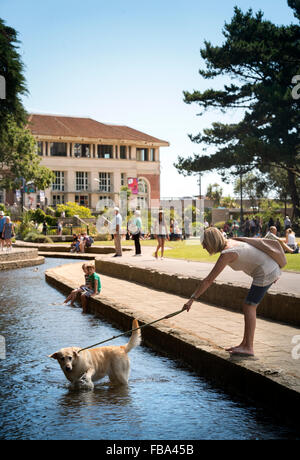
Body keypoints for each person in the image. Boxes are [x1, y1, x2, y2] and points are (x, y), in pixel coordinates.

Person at [183, 227, 282, 356]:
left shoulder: (228, 252)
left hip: (266, 273)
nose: (204, 248)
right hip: (269, 270)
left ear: (212, 242)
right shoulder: (230, 244)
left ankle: (249, 347)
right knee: (248, 305)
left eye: (205, 245)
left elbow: (208, 280)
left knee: (249, 306)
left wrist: (191, 300)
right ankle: (244, 344)